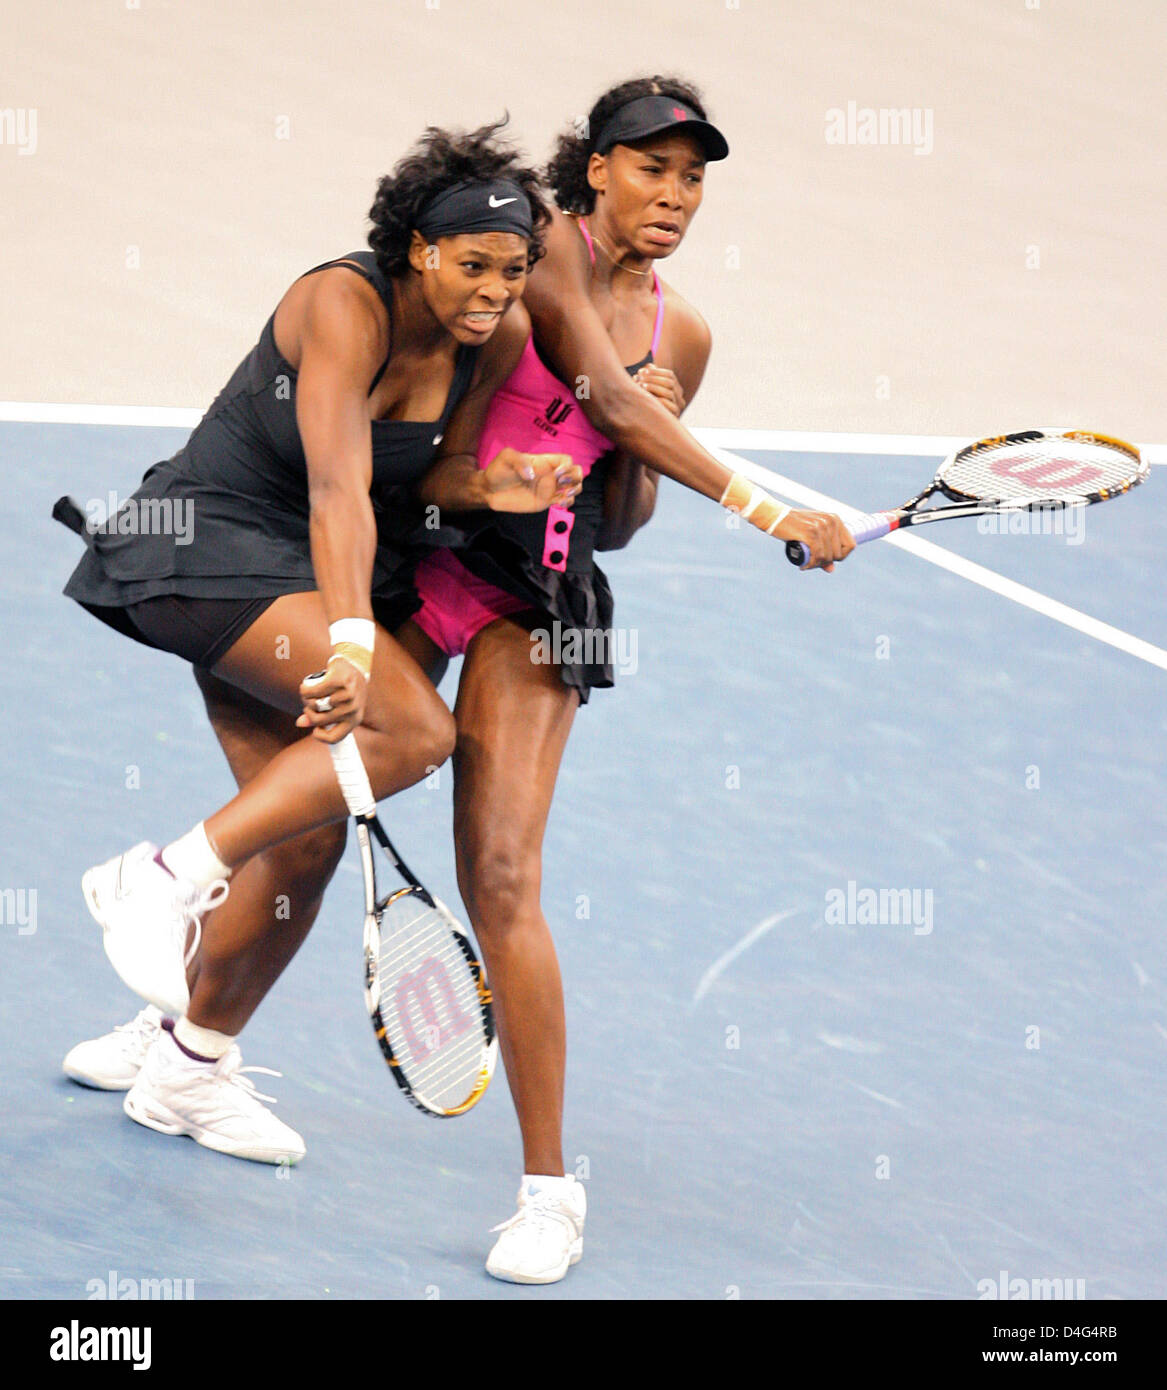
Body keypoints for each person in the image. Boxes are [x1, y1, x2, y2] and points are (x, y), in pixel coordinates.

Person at [64, 79, 853, 1285]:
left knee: (499, 876)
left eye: (694, 178)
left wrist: (632, 454)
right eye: (653, 169)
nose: (674, 197)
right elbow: (578, 400)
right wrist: (764, 502)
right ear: (594, 170)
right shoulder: (528, 260)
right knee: (307, 820)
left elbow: (620, 506)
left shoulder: (678, 329)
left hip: (539, 595)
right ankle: (187, 1040)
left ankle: (548, 1193)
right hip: (423, 553)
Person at [56, 121, 580, 1165]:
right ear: (418, 248)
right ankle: (157, 878)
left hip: (300, 577)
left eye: (515, 269)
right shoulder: (342, 301)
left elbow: (424, 477)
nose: (494, 289)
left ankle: (189, 1071)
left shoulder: (498, 335)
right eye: (473, 264)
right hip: (209, 545)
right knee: (415, 730)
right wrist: (350, 644)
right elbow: (342, 484)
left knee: (307, 837)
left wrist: (491, 483)